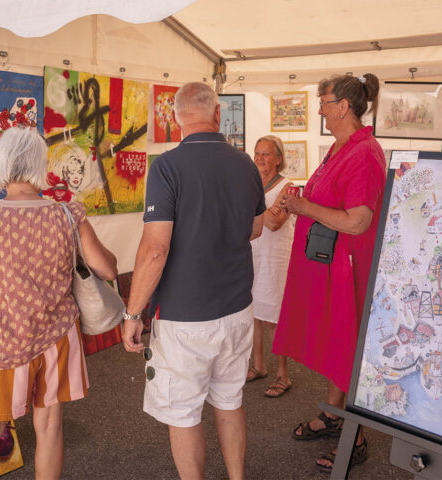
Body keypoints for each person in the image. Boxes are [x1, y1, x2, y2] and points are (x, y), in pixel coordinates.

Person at [122, 82, 265, 480]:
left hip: (185, 315)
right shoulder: (247, 165)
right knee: (229, 401)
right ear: (218, 114)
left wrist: (133, 312)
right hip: (237, 307)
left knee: (183, 413)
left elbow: (155, 249)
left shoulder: (167, 167)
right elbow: (255, 229)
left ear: (174, 119)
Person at [0, 127, 117, 480]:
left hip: (4, 340)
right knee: (49, 428)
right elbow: (107, 267)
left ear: (2, 162)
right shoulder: (66, 215)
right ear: (40, 164)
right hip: (56, 337)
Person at [273, 73, 386, 473]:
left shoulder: (365, 152)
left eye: (323, 102)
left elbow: (358, 221)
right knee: (339, 345)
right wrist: (301, 199)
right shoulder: (342, 147)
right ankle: (335, 416)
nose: (319, 109)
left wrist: (304, 208)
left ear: (344, 107)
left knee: (348, 346)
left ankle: (354, 438)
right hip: (328, 263)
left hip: (347, 268)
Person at [246, 135, 296, 398]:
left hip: (276, 258)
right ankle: (259, 365)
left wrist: (251, 205)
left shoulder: (289, 187)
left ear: (278, 158)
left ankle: (283, 374)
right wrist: (263, 208)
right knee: (253, 313)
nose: (260, 159)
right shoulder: (252, 184)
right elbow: (267, 215)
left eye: (266, 154)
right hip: (252, 254)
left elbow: (275, 222)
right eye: (257, 153)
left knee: (274, 318)